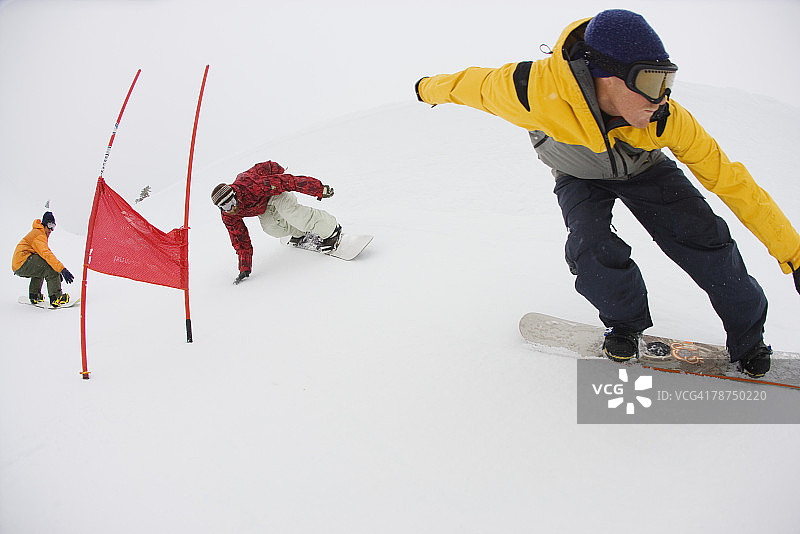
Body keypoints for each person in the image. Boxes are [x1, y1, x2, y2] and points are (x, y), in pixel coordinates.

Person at [414, 9, 800, 377]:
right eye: (651, 83)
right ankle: (625, 325)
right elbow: (468, 86)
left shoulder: (666, 120)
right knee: (591, 245)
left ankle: (749, 341)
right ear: (605, 75)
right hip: (578, 174)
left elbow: (732, 181)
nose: (661, 98)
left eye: (668, 82)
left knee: (708, 243)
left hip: (646, 170)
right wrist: (424, 88)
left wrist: (793, 252)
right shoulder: (528, 90)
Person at [212, 160, 341, 284]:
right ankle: (300, 232)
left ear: (235, 194)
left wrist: (318, 189)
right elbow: (239, 238)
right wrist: (244, 267)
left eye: (232, 202)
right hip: (262, 204)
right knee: (271, 228)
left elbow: (288, 182)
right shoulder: (229, 215)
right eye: (226, 206)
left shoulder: (250, 186)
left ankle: (331, 229)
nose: (232, 208)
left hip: (273, 188)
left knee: (293, 213)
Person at [12, 211, 75, 307]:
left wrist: (58, 275)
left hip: (20, 263)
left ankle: (34, 295)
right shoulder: (39, 235)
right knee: (49, 267)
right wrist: (61, 270)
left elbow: (43, 257)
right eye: (49, 225)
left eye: (53, 226)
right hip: (22, 262)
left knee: (41, 267)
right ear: (44, 224)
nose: (51, 229)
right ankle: (56, 297)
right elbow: (47, 255)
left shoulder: (38, 233)